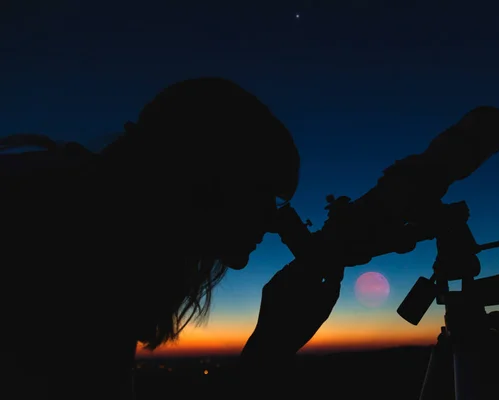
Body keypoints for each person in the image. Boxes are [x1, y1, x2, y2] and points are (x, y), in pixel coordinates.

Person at [4, 77, 346, 399]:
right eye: (263, 195)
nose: (273, 222)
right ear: (206, 179)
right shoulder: (58, 258)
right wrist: (267, 353)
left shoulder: (92, 240)